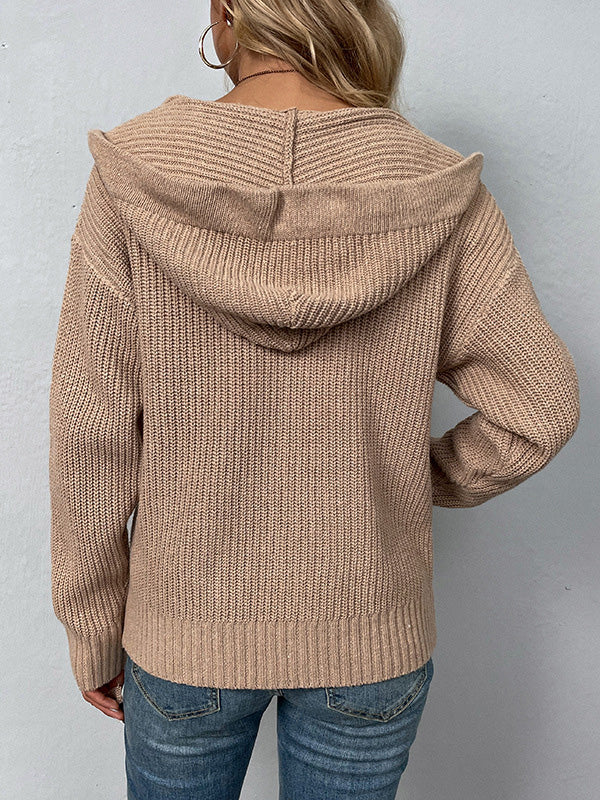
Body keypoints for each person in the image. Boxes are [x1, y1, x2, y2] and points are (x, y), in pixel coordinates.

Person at [48, 1, 580, 798]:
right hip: (370, 637)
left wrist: (93, 626)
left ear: (230, 12)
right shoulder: (433, 185)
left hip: (183, 634)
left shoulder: (137, 174)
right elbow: (540, 408)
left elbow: (90, 434)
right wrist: (407, 477)